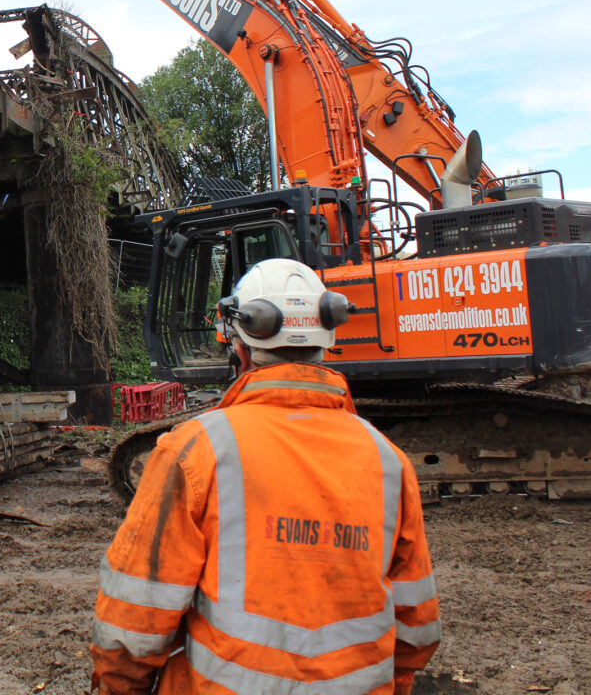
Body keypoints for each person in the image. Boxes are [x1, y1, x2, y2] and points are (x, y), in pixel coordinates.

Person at [90, 258, 440, 694]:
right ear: (327, 341)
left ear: (241, 344)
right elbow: (416, 628)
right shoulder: (389, 461)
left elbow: (135, 619)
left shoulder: (195, 452)